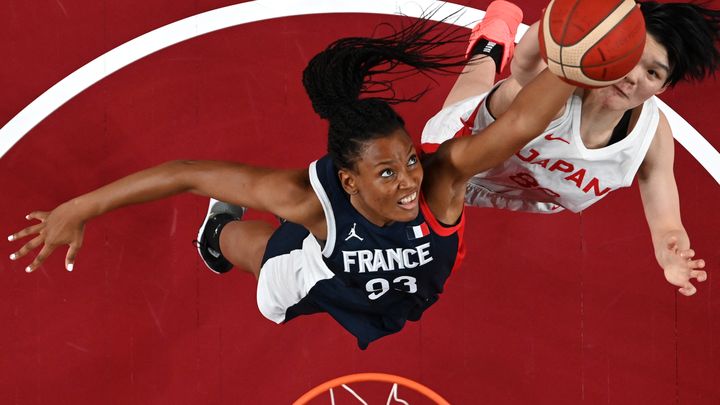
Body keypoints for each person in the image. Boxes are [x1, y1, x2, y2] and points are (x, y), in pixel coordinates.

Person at [7, 12, 578, 349]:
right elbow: (185, 175)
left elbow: (523, 121)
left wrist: (577, 65)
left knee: (454, 129)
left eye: (405, 163)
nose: (408, 182)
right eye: (387, 172)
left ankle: (486, 49)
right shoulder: (308, 201)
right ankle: (217, 236)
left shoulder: (435, 181)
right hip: (325, 274)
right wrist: (79, 207)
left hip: (412, 278)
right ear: (348, 183)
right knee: (260, 269)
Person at [421, 0, 719, 297]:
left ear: (663, 88)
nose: (632, 77)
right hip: (465, 162)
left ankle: (493, 40)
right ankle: (491, 42)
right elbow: (525, 62)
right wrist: (562, 22)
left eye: (653, 73)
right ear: (615, 45)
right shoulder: (558, 88)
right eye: (630, 58)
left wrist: (670, 249)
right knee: (473, 88)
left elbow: (668, 223)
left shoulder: (651, 135)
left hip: (527, 194)